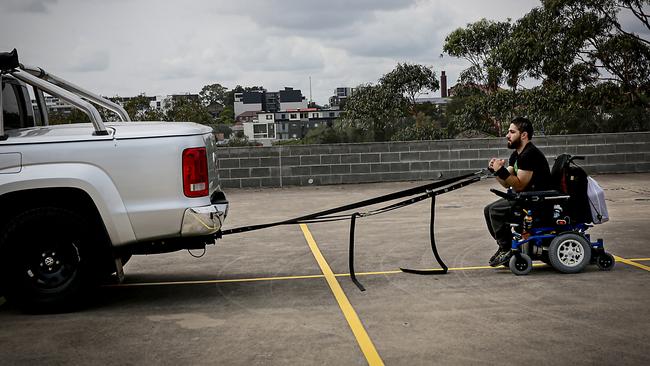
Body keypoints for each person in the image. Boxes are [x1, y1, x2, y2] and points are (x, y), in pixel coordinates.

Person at [485, 117, 551, 267]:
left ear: (523, 135)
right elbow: (507, 181)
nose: (507, 135)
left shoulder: (530, 154)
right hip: (524, 199)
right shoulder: (516, 154)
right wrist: (496, 171)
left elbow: (519, 185)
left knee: (495, 211)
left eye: (512, 132)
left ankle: (506, 248)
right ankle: (504, 246)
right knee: (488, 209)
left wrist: (501, 171)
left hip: (536, 202)